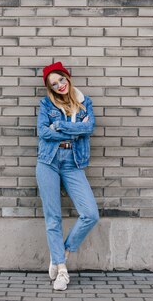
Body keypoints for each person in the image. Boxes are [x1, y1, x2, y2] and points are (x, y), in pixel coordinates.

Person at [36, 61, 99, 291]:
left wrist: (59, 127)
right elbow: (42, 132)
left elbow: (89, 127)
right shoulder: (45, 104)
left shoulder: (84, 102)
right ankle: (62, 270)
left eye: (61, 79)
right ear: (50, 88)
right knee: (53, 218)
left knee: (90, 213)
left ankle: (60, 252)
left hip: (73, 162)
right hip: (48, 162)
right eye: (54, 84)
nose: (59, 85)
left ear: (67, 77)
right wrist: (75, 129)